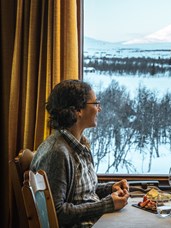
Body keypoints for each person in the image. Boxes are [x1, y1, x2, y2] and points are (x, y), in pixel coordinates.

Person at [31, 80, 130, 227]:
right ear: (78, 110)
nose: (99, 109)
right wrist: (107, 204)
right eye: (95, 103)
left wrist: (111, 188)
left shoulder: (80, 145)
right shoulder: (57, 153)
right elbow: (58, 213)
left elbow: (82, 194)